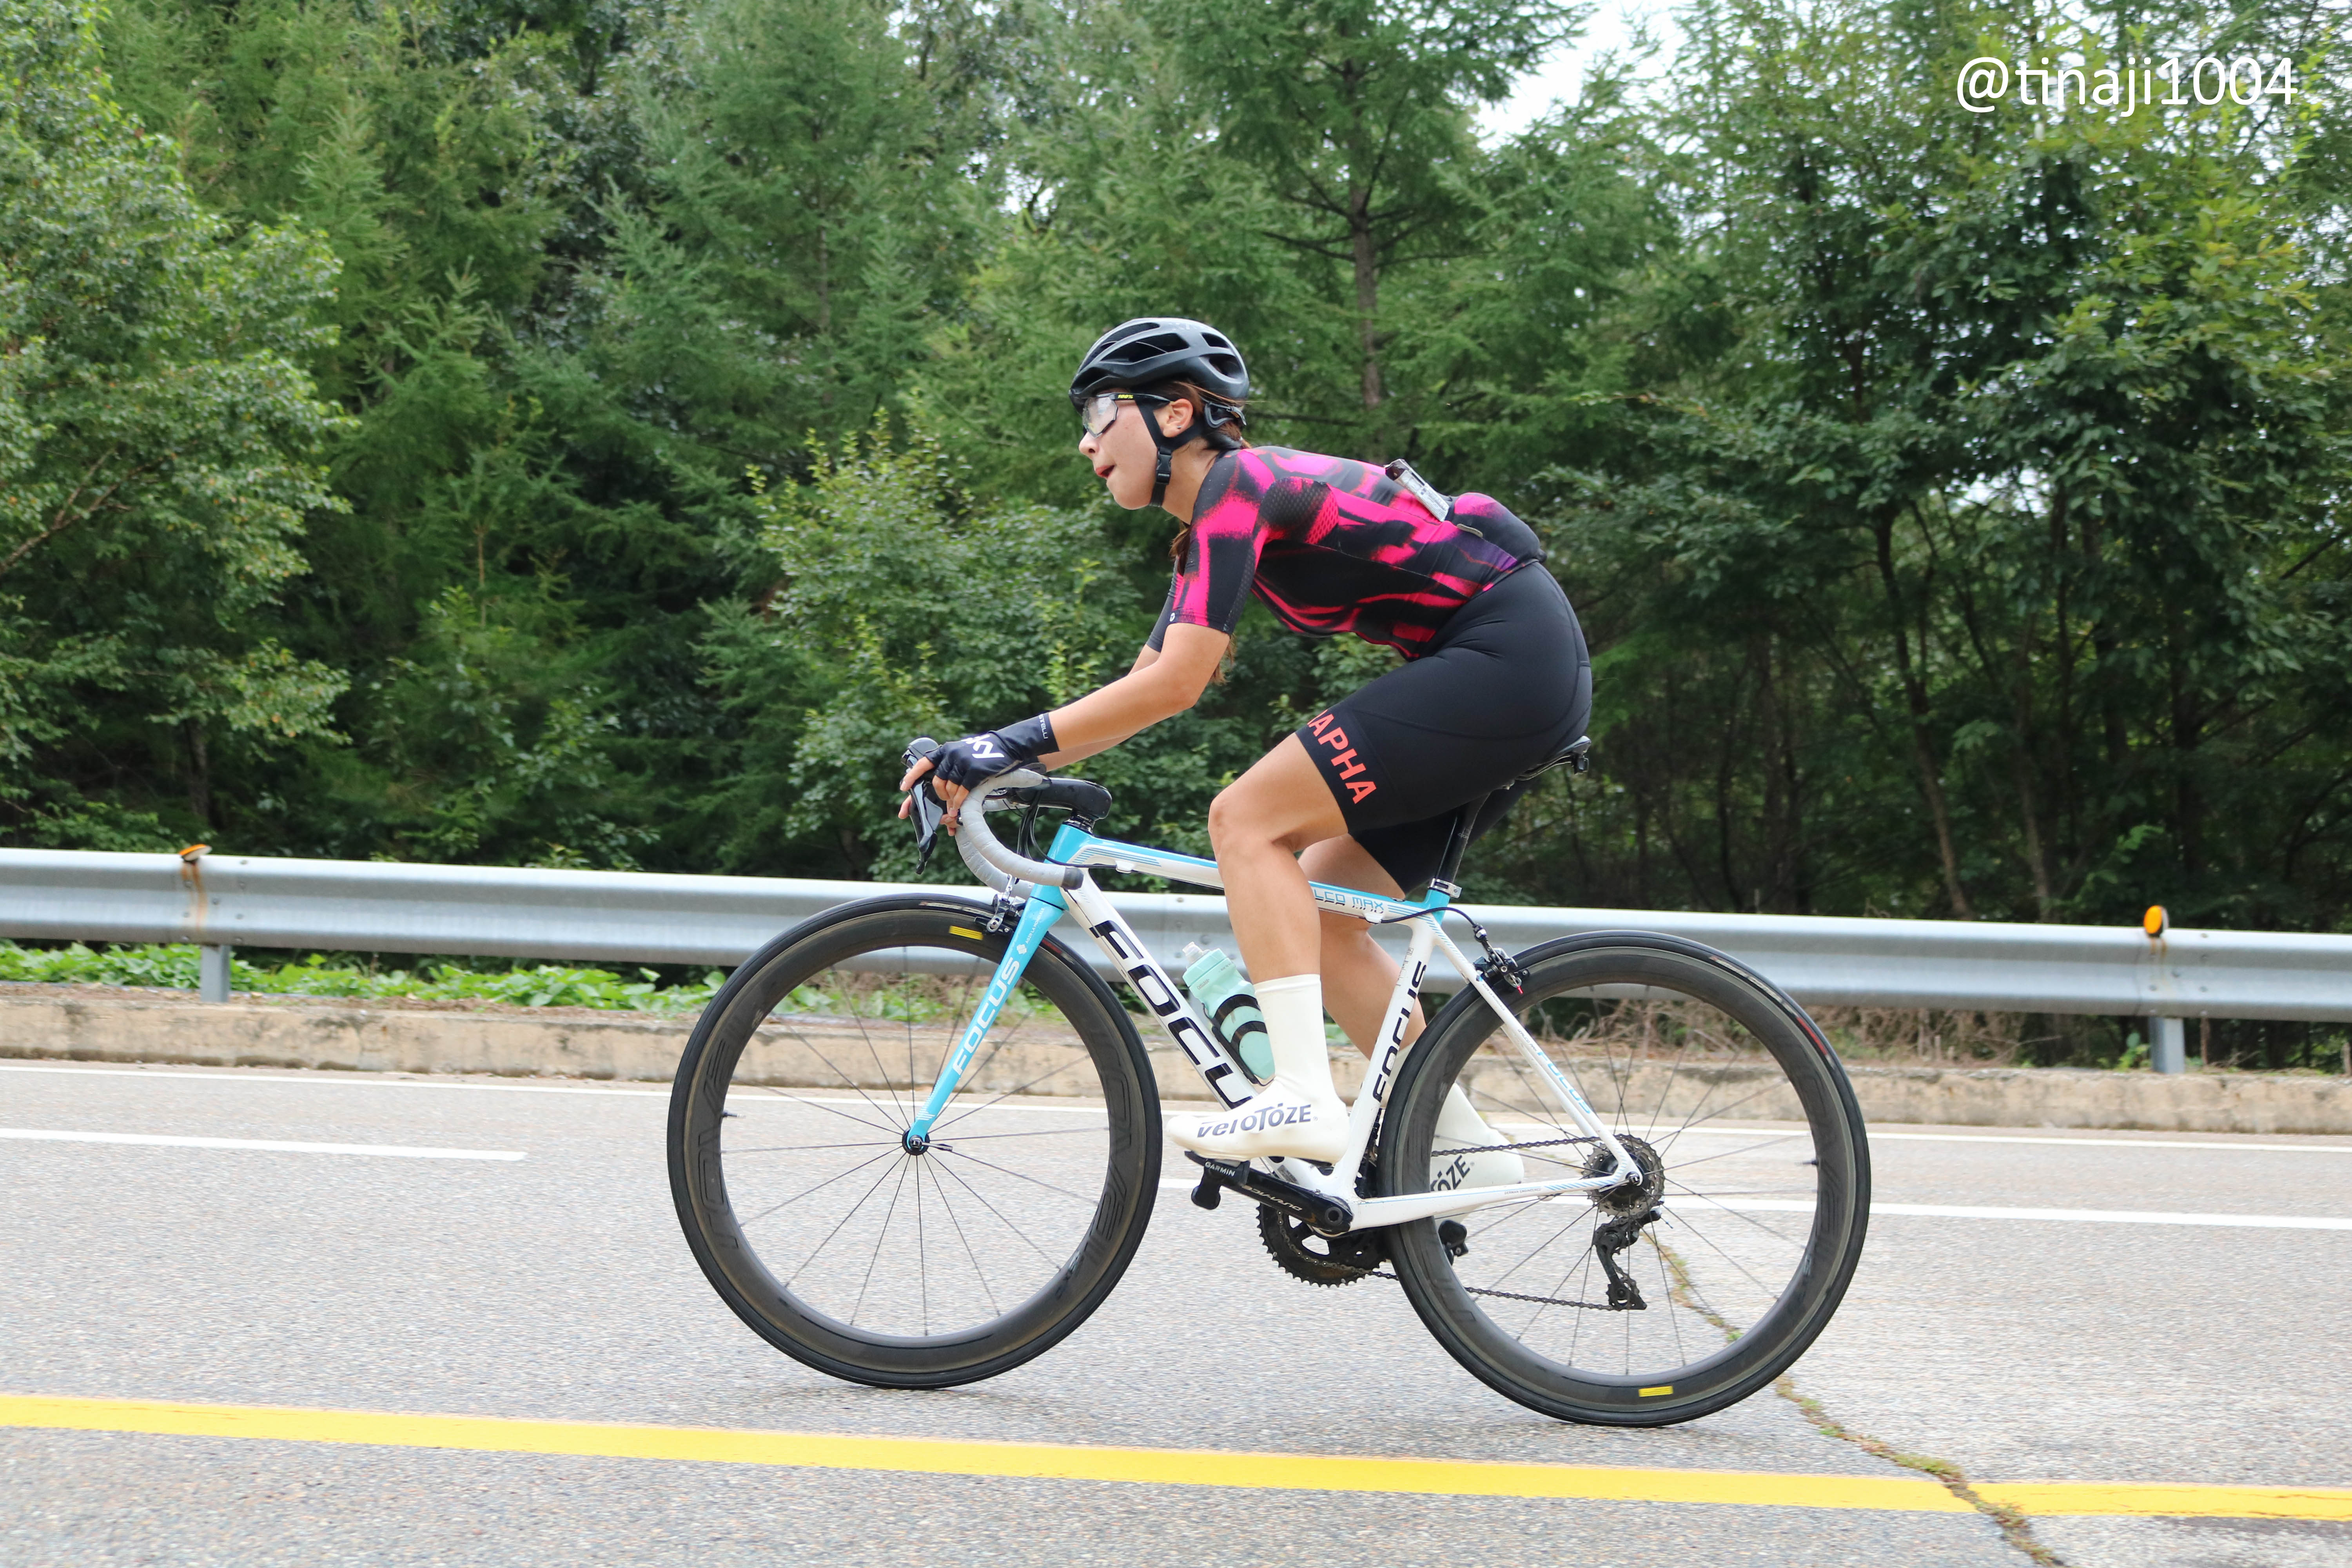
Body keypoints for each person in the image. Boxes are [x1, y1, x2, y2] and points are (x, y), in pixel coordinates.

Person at [898, 316, 1592, 1168]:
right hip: (1515, 667)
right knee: (1328, 913)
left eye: (1101, 413)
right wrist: (999, 763)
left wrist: (999, 746)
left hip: (1508, 657)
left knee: (1246, 818)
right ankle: (1458, 1146)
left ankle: (1301, 1093)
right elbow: (1140, 692)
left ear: (1175, 414)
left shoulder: (1240, 484)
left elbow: (1177, 684)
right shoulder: (1213, 525)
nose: (1086, 442)